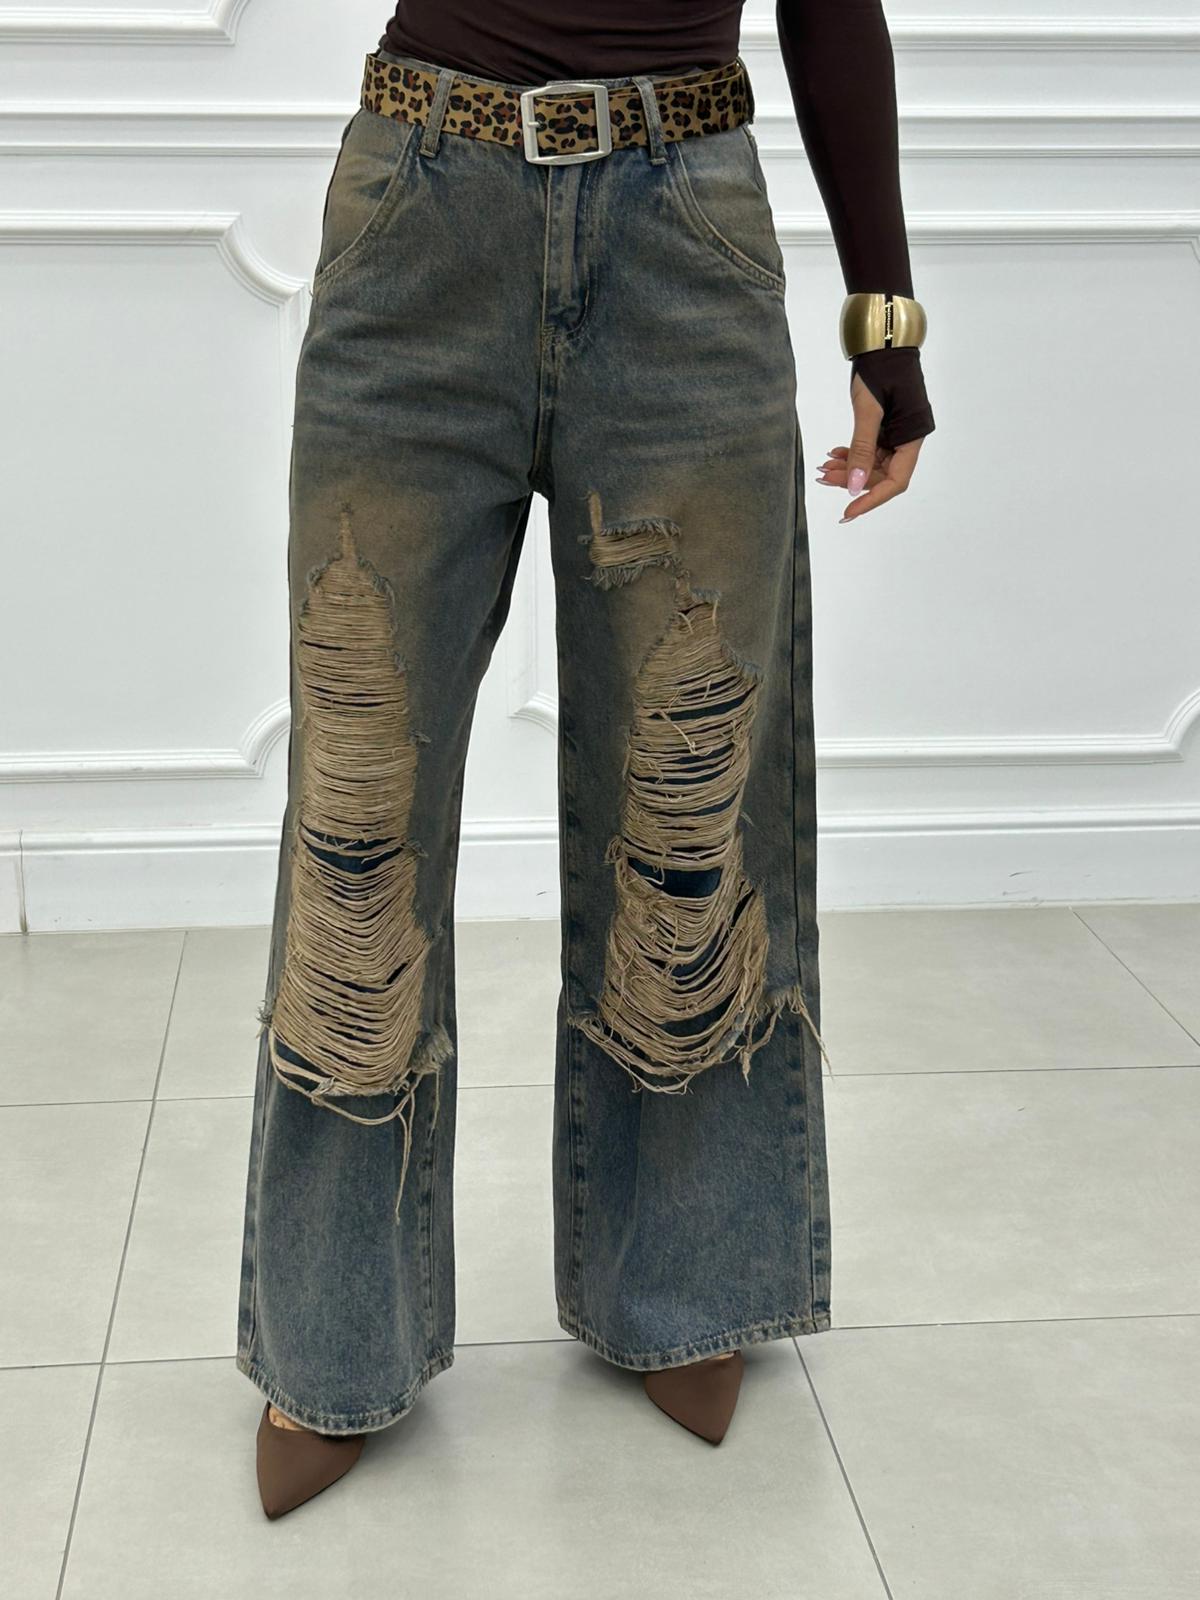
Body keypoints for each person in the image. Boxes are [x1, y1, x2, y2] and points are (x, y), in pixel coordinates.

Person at [239, 0, 935, 1520]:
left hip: (685, 230)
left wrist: (885, 315)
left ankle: (686, 1280)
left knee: (695, 797)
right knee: (360, 798)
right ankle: (332, 1334)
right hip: (422, 211)